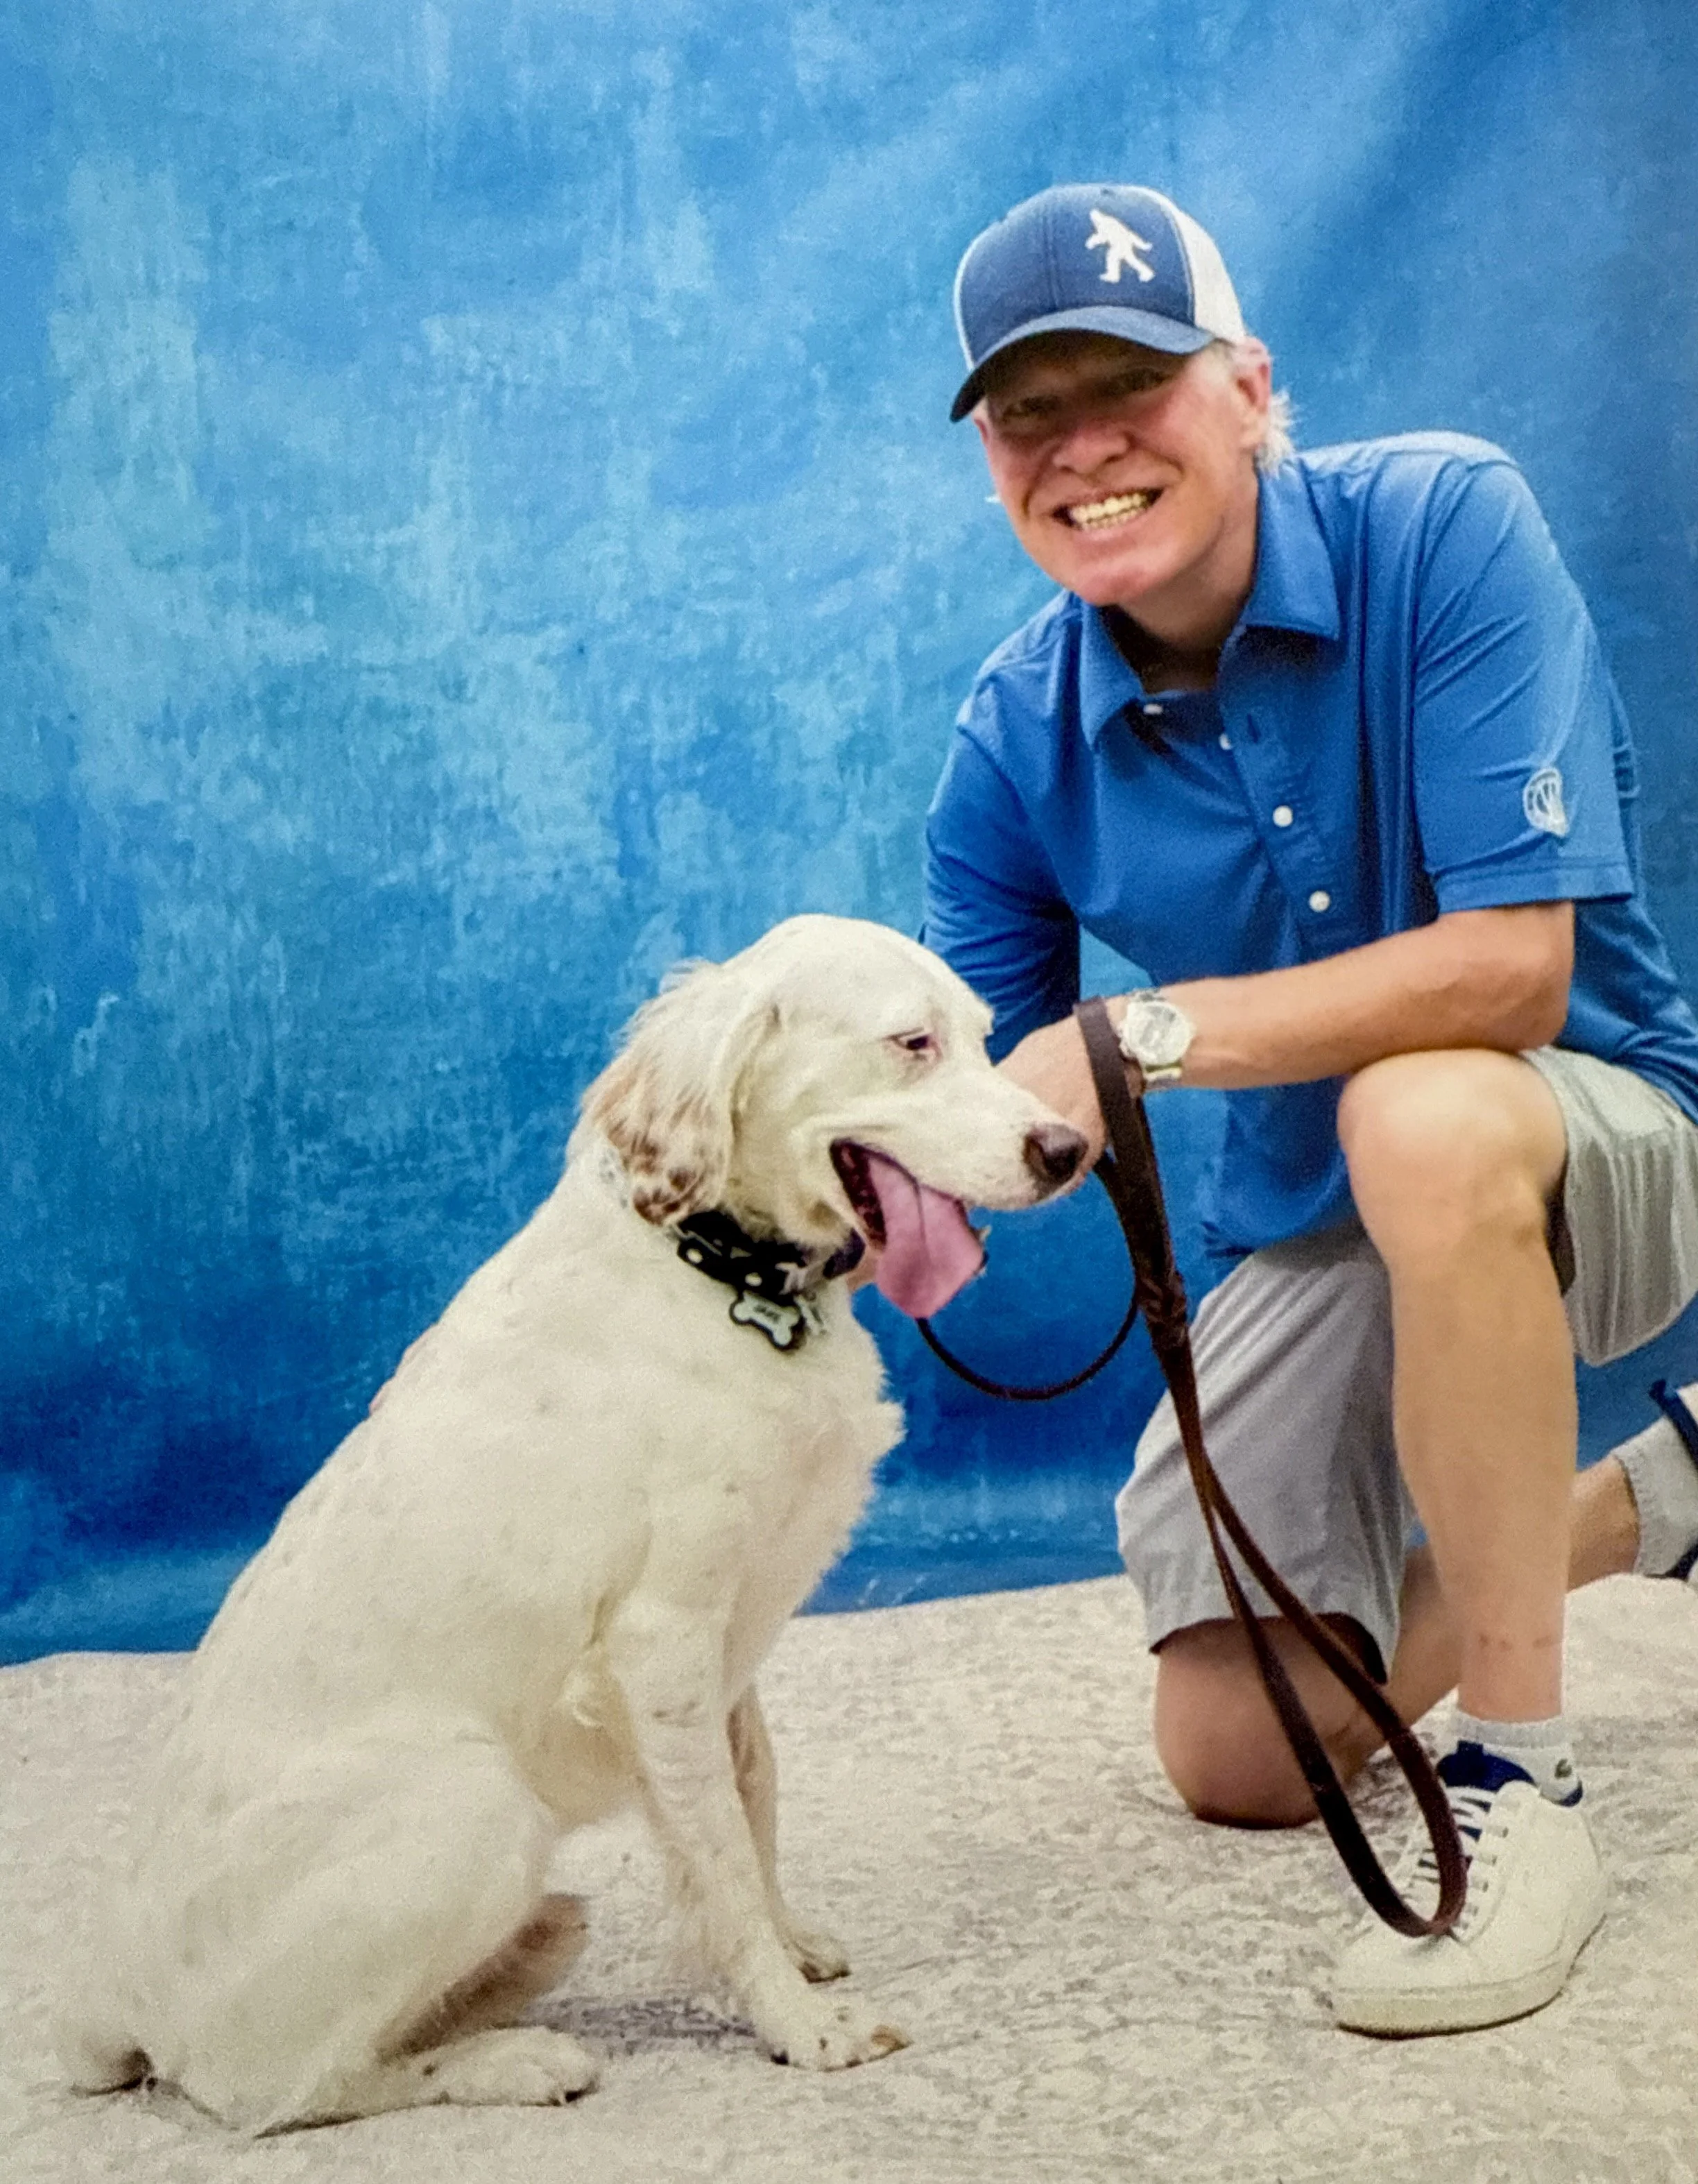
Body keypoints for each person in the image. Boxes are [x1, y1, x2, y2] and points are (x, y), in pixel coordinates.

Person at [923, 181, 1698, 2035]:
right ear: (993, 465)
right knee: (1239, 1756)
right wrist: (849, 1173)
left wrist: (1144, 1032)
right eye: (1034, 411)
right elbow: (1003, 1113)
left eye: (1137, 382)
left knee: (1424, 1112)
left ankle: (1524, 1788)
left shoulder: (1448, 520)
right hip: (1319, 1212)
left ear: (1254, 386)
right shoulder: (1005, 747)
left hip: (1592, 1132)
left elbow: (1511, 975)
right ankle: (1654, 1492)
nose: (1086, 446)